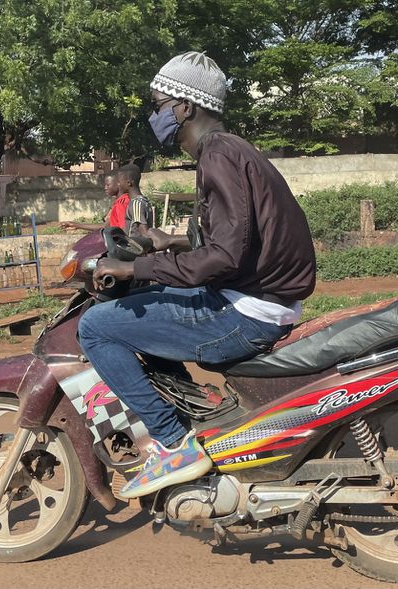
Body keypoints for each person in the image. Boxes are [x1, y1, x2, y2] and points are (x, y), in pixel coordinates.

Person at [78, 51, 316, 499]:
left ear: (185, 107)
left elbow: (225, 256)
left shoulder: (217, 156)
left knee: (96, 329)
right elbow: (241, 239)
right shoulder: (232, 149)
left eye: (159, 103)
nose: (156, 115)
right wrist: (170, 243)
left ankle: (173, 441)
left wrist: (134, 266)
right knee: (146, 308)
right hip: (260, 298)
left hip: (246, 311)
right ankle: (196, 418)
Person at [61, 172, 130, 232]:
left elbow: (122, 230)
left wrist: (77, 225)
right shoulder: (120, 202)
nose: (105, 188)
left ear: (118, 184)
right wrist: (76, 225)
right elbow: (105, 225)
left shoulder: (122, 203)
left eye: (108, 185)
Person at [117, 163, 154, 238]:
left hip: (134, 248)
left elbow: (145, 234)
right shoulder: (144, 201)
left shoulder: (136, 204)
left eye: (119, 181)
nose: (118, 184)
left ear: (129, 183)